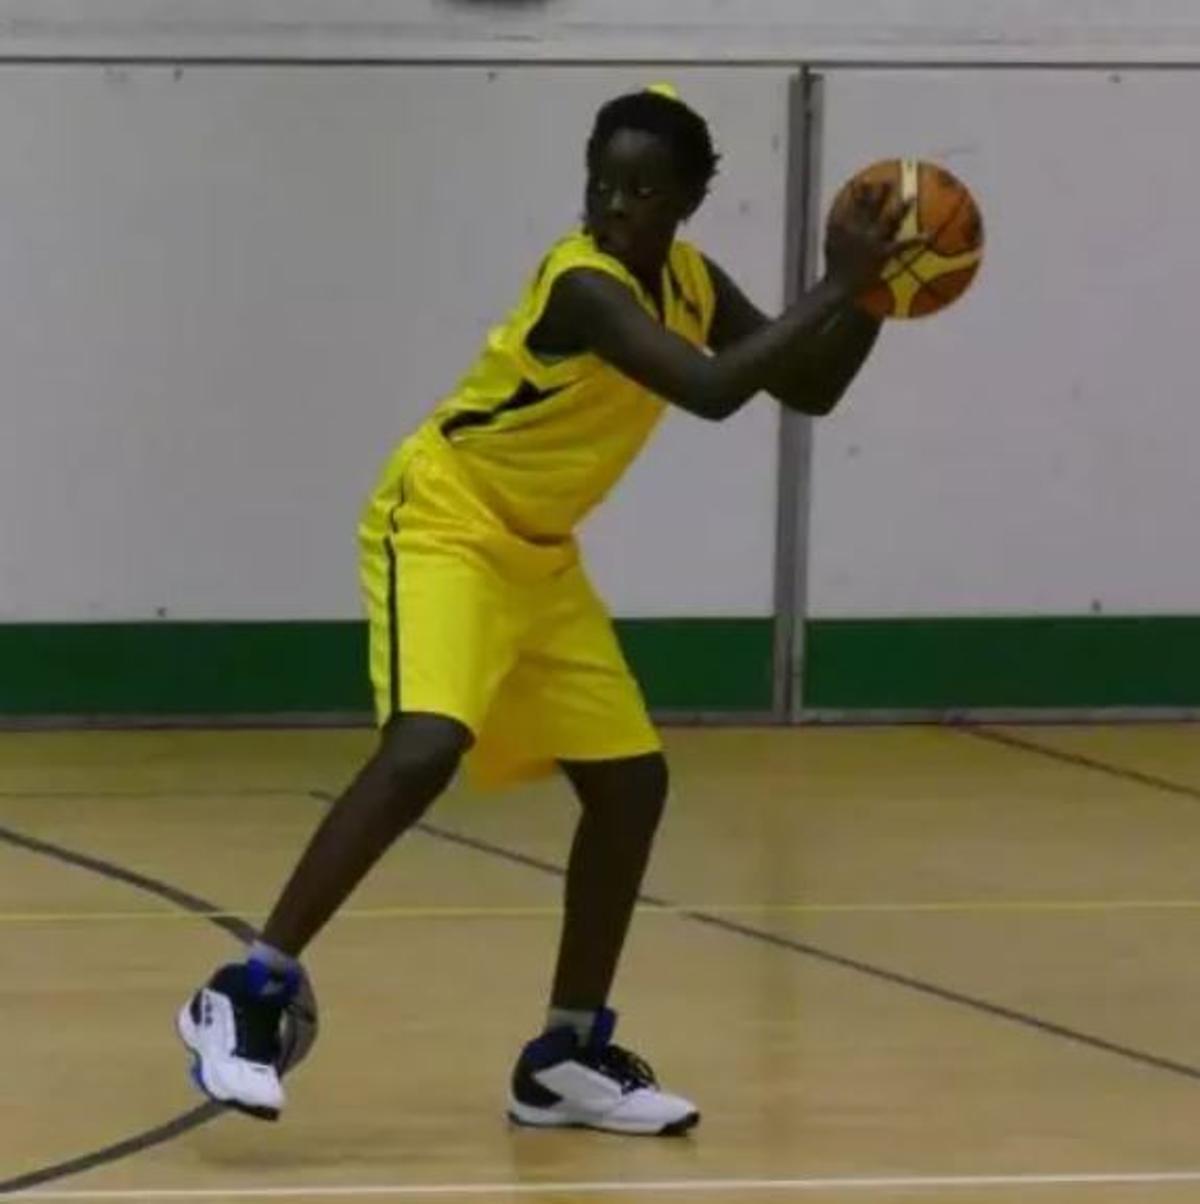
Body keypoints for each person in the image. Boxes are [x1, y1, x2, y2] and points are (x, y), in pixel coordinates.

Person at [177, 84, 909, 1137]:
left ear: (692, 197)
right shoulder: (583, 285)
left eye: (642, 189)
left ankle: (563, 1055)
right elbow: (710, 391)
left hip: (536, 552)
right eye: (599, 183)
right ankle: (243, 992)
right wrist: (836, 281)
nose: (614, 205)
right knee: (427, 744)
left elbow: (813, 387)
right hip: (442, 516)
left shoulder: (692, 281)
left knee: (631, 785)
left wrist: (876, 298)